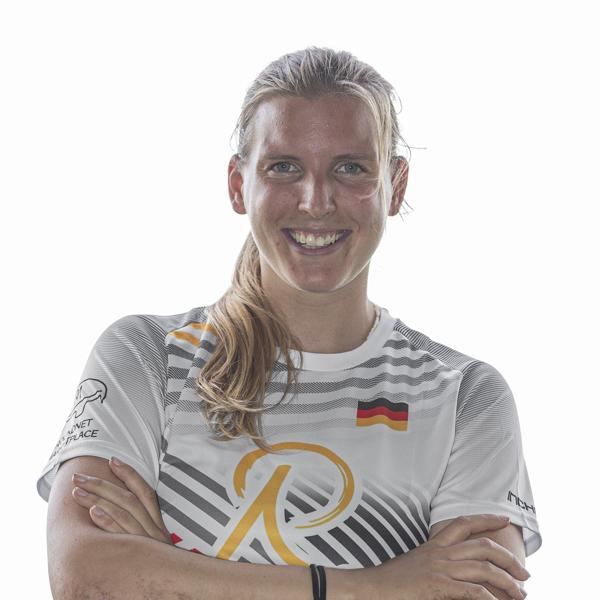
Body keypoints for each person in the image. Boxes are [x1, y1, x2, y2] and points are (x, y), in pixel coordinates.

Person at [37, 46, 541, 600]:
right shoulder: (147, 357)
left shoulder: (466, 396)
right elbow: (86, 577)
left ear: (396, 185)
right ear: (238, 184)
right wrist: (376, 586)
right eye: (283, 167)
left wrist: (168, 570)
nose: (316, 202)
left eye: (350, 168)